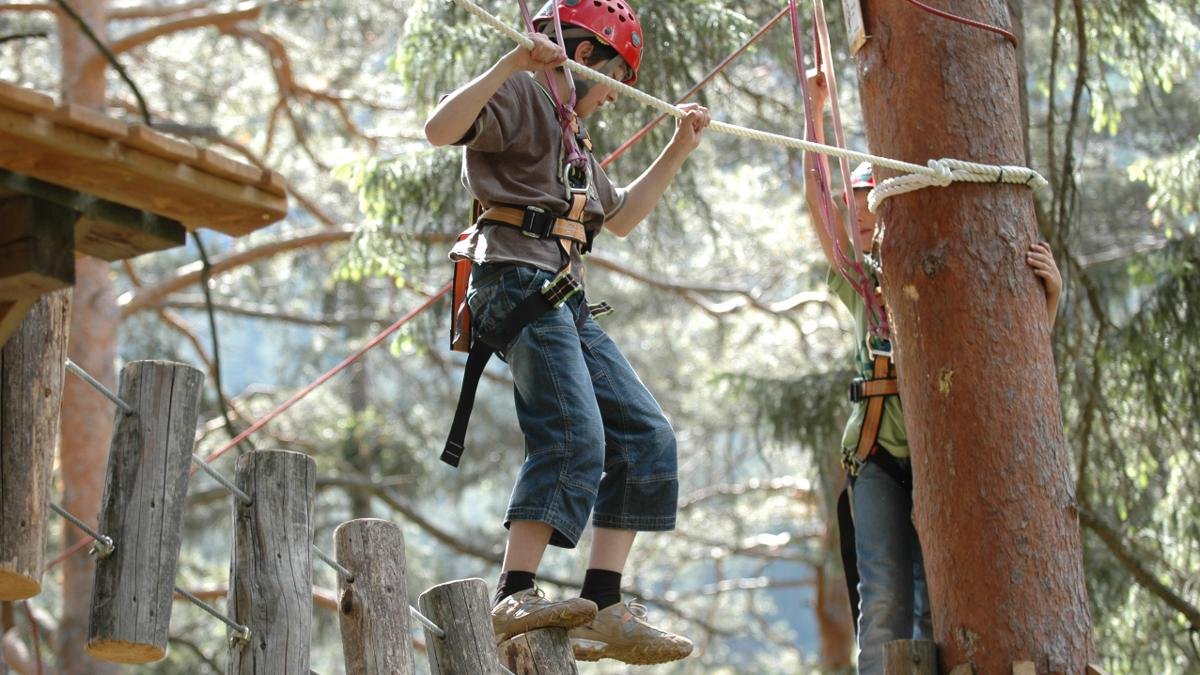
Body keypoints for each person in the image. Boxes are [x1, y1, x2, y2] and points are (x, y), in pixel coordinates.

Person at [424, 0, 708, 665]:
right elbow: (440, 129)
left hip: (559, 292)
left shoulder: (572, 131)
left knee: (645, 434)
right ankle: (512, 590)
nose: (614, 97)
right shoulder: (522, 92)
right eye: (614, 79)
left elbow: (625, 215)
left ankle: (604, 603)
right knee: (575, 431)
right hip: (516, 283)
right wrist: (510, 62)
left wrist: (678, 147)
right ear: (583, 58)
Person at [801, 69, 1062, 675]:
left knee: (940, 608)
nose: (860, 218)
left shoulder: (946, 279)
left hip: (944, 455)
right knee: (887, 600)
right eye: (856, 208)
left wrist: (1047, 300)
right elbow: (816, 203)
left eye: (870, 206)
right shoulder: (862, 286)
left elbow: (1007, 367)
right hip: (879, 460)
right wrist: (814, 117)